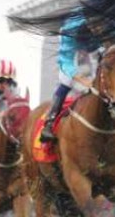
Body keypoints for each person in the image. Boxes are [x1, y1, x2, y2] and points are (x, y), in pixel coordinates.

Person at [39, 11, 98, 145]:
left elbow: (96, 60)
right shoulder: (69, 31)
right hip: (69, 53)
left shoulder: (105, 26)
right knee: (66, 81)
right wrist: (85, 81)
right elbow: (67, 65)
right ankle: (49, 122)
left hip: (91, 43)